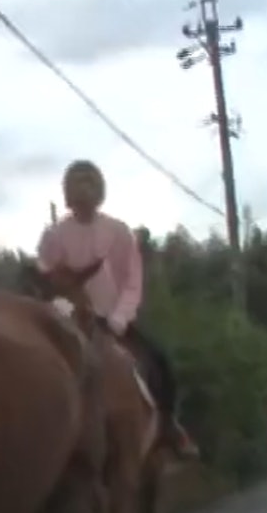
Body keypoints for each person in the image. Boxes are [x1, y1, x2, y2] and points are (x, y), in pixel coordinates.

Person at [36, 159, 198, 459]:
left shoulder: (118, 231)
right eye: (76, 190)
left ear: (99, 193)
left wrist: (120, 317)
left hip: (112, 320)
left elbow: (132, 280)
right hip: (69, 321)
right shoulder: (54, 236)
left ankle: (169, 427)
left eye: (89, 189)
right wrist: (58, 311)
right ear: (68, 195)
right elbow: (46, 278)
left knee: (158, 360)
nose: (83, 198)